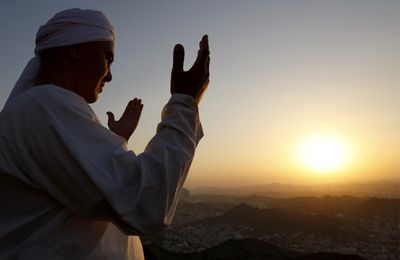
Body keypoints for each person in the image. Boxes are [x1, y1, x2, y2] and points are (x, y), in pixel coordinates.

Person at [0, 8, 210, 260]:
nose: (109, 75)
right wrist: (184, 105)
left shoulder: (42, 110)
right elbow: (147, 203)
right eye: (107, 58)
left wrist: (117, 143)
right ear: (75, 49)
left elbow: (93, 197)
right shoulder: (45, 106)